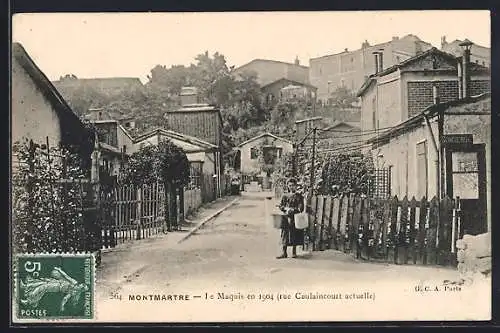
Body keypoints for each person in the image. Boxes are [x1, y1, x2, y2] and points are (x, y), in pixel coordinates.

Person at [277, 177, 305, 259]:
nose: (291, 187)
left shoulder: (299, 196)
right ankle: (284, 252)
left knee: (295, 233)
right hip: (286, 217)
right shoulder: (285, 196)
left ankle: (294, 252)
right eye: (289, 185)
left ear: (296, 186)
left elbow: (301, 208)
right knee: (284, 234)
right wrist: (285, 209)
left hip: (294, 218)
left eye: (293, 185)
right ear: (287, 186)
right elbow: (281, 206)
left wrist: (293, 210)